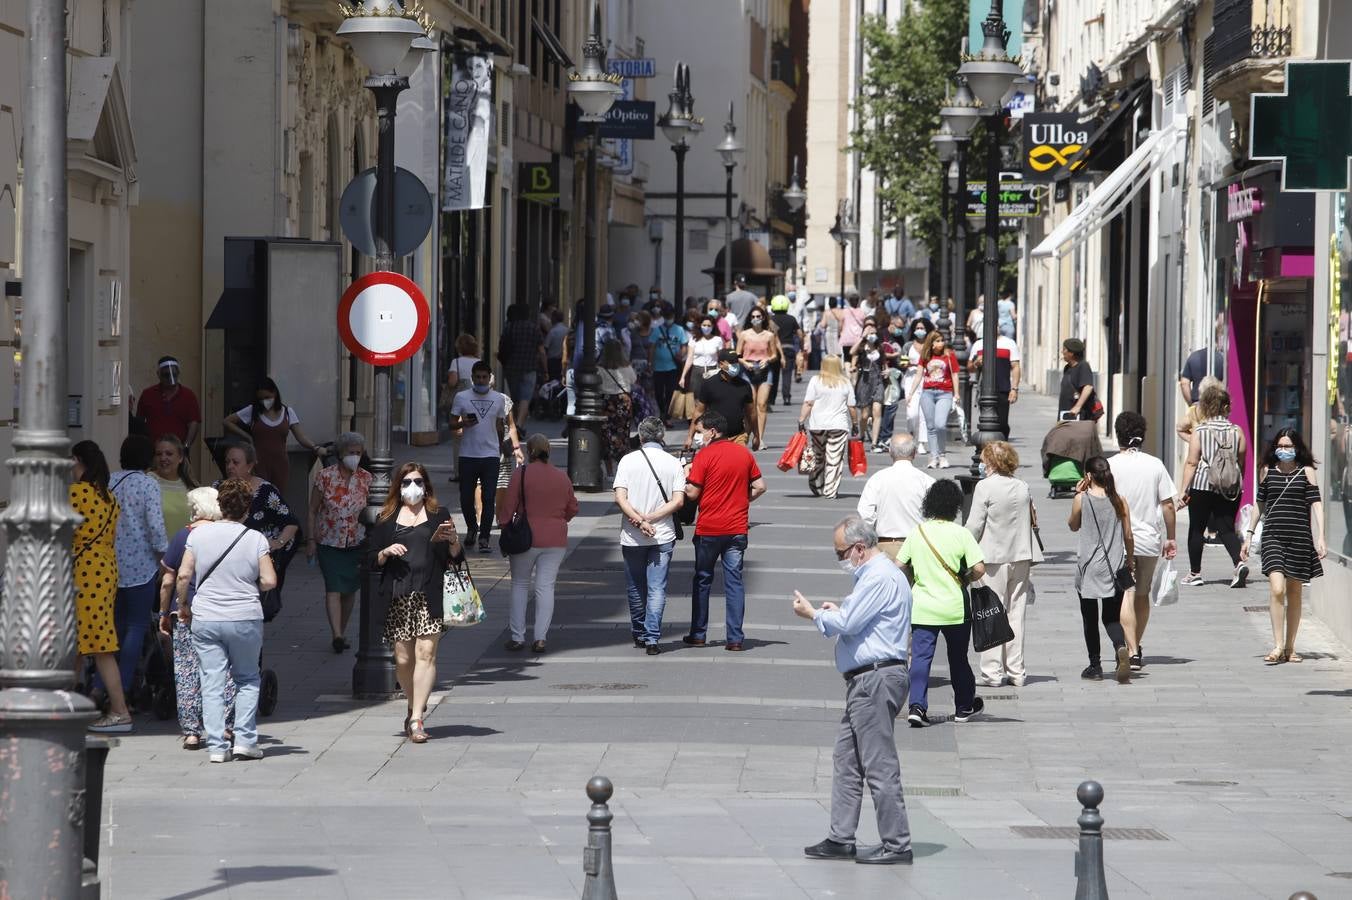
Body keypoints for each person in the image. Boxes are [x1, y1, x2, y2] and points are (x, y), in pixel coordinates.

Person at [795, 515, 914, 866]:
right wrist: (841, 608)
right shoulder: (878, 575)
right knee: (846, 758)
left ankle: (897, 843)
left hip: (875, 679)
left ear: (859, 549)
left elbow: (847, 625)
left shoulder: (878, 576)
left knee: (878, 764)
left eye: (841, 553)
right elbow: (861, 618)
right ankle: (841, 836)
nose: (840, 559)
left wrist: (814, 614)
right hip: (867, 680)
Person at [176, 478, 278, 762]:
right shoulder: (255, 538)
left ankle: (218, 748)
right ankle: (245, 741)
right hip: (245, 617)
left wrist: (184, 604)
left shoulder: (197, 536)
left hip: (206, 616)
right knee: (247, 678)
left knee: (212, 681)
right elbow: (269, 580)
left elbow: (183, 575)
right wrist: (250, 586)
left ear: (220, 505)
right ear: (247, 509)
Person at [367, 462, 463, 743]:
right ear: (398, 486)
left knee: (426, 654)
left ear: (427, 486)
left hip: (428, 594)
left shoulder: (438, 515)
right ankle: (413, 703)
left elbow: (455, 556)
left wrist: (454, 540)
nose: (414, 487)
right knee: (404, 658)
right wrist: (385, 551)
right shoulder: (386, 518)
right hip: (398, 596)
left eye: (419, 482)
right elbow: (370, 558)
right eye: (408, 482)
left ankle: (417, 717)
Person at [897, 479, 986, 726]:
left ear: (930, 504)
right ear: (955, 506)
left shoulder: (918, 532)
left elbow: (900, 564)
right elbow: (979, 568)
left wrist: (915, 578)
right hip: (955, 609)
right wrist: (963, 579)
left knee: (921, 659)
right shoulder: (962, 534)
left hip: (923, 607)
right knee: (958, 658)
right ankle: (963, 707)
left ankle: (917, 706)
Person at [158, 487, 236, 750]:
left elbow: (170, 579)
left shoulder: (184, 536)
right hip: (222, 610)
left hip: (188, 611)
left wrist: (165, 611)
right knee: (223, 668)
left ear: (196, 509)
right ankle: (225, 726)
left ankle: (192, 732)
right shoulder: (227, 534)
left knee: (187, 670)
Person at [683, 411, 767, 651]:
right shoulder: (743, 453)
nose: (698, 437)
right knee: (734, 582)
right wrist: (742, 499)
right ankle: (735, 638)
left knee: (703, 580)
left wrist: (684, 478)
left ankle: (698, 634)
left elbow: (693, 493)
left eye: (700, 432)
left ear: (712, 431)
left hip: (709, 528)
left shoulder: (704, 455)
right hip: (737, 528)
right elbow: (760, 486)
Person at [1242, 429, 1326, 664]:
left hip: (1299, 537)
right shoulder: (1267, 471)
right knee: (1277, 589)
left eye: (1289, 446)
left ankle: (1290, 646)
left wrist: (1321, 536)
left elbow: (1316, 504)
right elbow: (1259, 504)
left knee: (1295, 592)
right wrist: (1249, 535)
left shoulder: (1306, 471)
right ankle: (1278, 645)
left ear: (1297, 448)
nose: (1284, 450)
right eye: (1281, 445)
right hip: (1273, 537)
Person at [966, 441, 1041, 688]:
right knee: (1016, 613)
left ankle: (992, 672)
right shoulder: (1022, 486)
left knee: (990, 613)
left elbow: (975, 525)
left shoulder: (985, 487)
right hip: (1020, 556)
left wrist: (962, 549)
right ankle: (1017, 671)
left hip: (992, 558)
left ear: (990, 462)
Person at [1107, 413, 1178, 671]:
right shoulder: (1155, 465)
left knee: (1125, 592)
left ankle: (1131, 648)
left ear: (1118, 435)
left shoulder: (1110, 466)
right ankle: (1136, 645)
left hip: (1118, 540)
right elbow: (1168, 505)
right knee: (1141, 594)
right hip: (1148, 540)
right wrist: (1171, 537)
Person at [71, 441, 133, 734]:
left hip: (84, 573)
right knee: (79, 644)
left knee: (98, 645)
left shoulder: (77, 494)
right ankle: (63, 706)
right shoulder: (107, 497)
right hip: (106, 570)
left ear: (78, 461)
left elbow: (64, 534)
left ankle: (120, 711)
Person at [499, 434, 579, 653]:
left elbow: (508, 507)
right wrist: (558, 520)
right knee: (546, 587)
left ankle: (517, 637)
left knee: (520, 585)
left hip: (525, 537)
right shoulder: (562, 477)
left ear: (530, 450)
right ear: (549, 451)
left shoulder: (521, 474)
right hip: (555, 539)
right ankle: (541, 638)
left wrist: (504, 527)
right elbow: (572, 508)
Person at [614, 417, 686, 654]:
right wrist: (652, 519)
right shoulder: (673, 462)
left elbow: (620, 498)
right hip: (662, 534)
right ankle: (653, 637)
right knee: (657, 588)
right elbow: (678, 501)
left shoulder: (627, 460)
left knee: (636, 586)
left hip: (633, 536)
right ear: (662, 436)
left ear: (641, 436)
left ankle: (639, 633)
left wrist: (639, 520)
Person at [110, 435, 169, 696]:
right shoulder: (148, 485)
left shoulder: (109, 481)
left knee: (114, 627)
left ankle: (105, 682)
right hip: (141, 567)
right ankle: (124, 683)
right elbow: (155, 527)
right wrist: (166, 557)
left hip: (109, 565)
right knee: (136, 626)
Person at [1069, 457, 1135, 684]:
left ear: (1088, 475)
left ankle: (1095, 666)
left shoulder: (1082, 499)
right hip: (1114, 567)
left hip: (1089, 568)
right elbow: (1128, 535)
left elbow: (1073, 525)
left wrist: (1077, 494)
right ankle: (1119, 648)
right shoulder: (1119, 500)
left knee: (1090, 618)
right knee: (1111, 617)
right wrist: (1130, 560)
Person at [307, 432, 372, 653]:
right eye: (350, 452)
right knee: (333, 588)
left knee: (350, 590)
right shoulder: (325, 477)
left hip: (357, 541)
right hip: (329, 541)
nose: (354, 456)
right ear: (340, 453)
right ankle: (336, 633)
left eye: (358, 453)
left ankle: (341, 633)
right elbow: (313, 509)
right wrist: (311, 540)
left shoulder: (367, 478)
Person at [1178, 383, 1247, 587]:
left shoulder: (1200, 431)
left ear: (1205, 407)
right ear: (1226, 407)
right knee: (1226, 528)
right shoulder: (1237, 431)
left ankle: (1195, 573)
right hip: (1229, 487)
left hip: (1202, 484)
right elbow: (1241, 460)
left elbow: (1192, 462)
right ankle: (1239, 563)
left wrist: (1183, 490)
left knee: (1197, 528)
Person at [222, 377, 325, 495]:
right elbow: (227, 421)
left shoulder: (287, 412)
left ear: (274, 393)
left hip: (280, 464)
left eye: (267, 397)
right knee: (258, 495)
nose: (264, 401)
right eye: (261, 399)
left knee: (277, 498)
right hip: (259, 463)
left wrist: (315, 447)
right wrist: (247, 436)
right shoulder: (253, 411)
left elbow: (301, 437)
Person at [450, 360, 507, 553]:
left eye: (484, 377)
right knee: (466, 498)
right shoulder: (461, 397)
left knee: (488, 497)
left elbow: (500, 425)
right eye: (478, 377)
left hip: (490, 455)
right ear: (472, 377)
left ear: (490, 378)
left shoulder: (499, 399)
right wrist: (462, 423)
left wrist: (500, 447)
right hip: (468, 454)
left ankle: (484, 537)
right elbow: (451, 424)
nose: (481, 380)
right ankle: (472, 528)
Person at [857, 433, 935, 562]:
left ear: (890, 452)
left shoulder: (877, 479)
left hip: (884, 545)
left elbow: (866, 515)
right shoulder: (927, 481)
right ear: (914, 453)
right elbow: (933, 518)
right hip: (916, 546)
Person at [798, 355, 857, 500]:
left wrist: (801, 420)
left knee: (818, 455)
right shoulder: (845, 382)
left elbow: (809, 403)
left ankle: (817, 485)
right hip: (838, 425)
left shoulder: (815, 381)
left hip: (818, 424)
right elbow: (851, 406)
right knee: (834, 458)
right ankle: (830, 490)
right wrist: (855, 423)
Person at [686, 350, 757, 450]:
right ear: (721, 364)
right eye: (731, 362)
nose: (735, 365)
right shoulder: (709, 384)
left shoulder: (744, 385)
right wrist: (690, 437)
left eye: (736, 361)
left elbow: (752, 413)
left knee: (739, 464)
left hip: (738, 436)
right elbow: (698, 412)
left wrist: (757, 436)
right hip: (715, 438)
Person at [736, 306, 785, 448]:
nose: (756, 319)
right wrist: (744, 363)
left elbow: (775, 354)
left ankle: (759, 439)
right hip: (747, 370)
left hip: (764, 370)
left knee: (762, 405)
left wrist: (768, 360)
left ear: (763, 318)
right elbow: (737, 354)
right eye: (753, 317)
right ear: (749, 319)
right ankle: (747, 435)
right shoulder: (744, 335)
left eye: (758, 316)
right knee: (750, 406)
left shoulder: (769, 335)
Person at [498, 303, 546, 430]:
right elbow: (541, 351)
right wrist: (545, 369)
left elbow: (502, 346)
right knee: (526, 398)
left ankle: (514, 424)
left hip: (511, 367)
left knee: (515, 398)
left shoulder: (509, 327)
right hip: (529, 367)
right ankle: (519, 425)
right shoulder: (533, 328)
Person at [916, 331, 960, 468]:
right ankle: (933, 457)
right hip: (927, 393)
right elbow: (919, 375)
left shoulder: (949, 355)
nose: (942, 343)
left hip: (944, 393)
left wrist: (956, 393)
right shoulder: (926, 355)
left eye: (942, 340)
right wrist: (911, 393)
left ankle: (942, 455)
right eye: (938, 340)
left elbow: (955, 375)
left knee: (940, 424)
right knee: (930, 427)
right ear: (932, 343)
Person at [135, 355, 201, 447]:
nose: (171, 379)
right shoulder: (148, 394)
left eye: (174, 374)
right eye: (166, 375)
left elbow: (193, 423)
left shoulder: (188, 395)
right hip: (153, 450)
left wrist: (186, 446)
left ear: (178, 373)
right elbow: (140, 421)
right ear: (158, 374)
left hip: (178, 450)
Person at [969, 332, 1022, 440]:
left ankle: (1002, 442)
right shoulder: (978, 344)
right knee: (986, 421)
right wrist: (976, 363)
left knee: (1002, 422)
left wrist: (1014, 389)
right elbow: (969, 367)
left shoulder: (1009, 343)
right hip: (983, 389)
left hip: (1003, 388)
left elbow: (1016, 367)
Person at [444, 334, 482, 481]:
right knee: (476, 436)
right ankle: (475, 470)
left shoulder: (456, 362)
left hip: (460, 404)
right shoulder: (479, 362)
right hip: (477, 402)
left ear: (460, 348)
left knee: (458, 438)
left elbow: (452, 382)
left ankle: (459, 472)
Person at [151, 434, 197, 537]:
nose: (163, 458)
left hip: (185, 551)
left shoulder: (190, 486)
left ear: (180, 458)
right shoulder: (148, 482)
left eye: (169, 454)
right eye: (159, 454)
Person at [852, 321, 888, 450]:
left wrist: (887, 371)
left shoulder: (880, 348)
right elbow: (851, 352)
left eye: (874, 333)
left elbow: (884, 364)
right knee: (865, 415)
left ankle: (874, 442)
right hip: (864, 382)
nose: (872, 335)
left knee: (877, 411)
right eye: (869, 333)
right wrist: (862, 337)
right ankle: (862, 435)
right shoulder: (862, 349)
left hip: (878, 381)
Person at [650, 305, 688, 425]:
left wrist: (681, 355)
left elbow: (684, 345)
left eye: (670, 316)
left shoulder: (679, 330)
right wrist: (650, 362)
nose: (668, 318)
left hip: (672, 367)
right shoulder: (657, 330)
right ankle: (662, 411)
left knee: (671, 391)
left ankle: (666, 414)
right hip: (658, 367)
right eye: (666, 316)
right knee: (659, 392)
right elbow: (652, 347)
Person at [1179, 318, 1226, 405]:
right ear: (1217, 341)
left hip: (1196, 402)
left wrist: (1191, 404)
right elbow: (1226, 384)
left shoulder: (1193, 357)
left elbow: (1184, 383)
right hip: (1214, 404)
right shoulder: (1222, 359)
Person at [770, 295, 802, 406]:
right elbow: (800, 334)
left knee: (774, 374)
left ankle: (771, 399)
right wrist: (800, 346)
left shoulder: (771, 320)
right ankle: (786, 397)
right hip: (789, 348)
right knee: (787, 374)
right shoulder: (792, 319)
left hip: (775, 350)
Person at [680, 314, 724, 391]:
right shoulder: (694, 339)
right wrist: (683, 376)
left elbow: (720, 359)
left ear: (713, 326)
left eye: (709, 325)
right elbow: (689, 358)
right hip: (697, 371)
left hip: (712, 371)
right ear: (700, 325)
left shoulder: (717, 340)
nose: (706, 327)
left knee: (711, 398)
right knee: (696, 398)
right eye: (704, 325)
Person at [1058, 339, 1098, 422]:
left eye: (1064, 349)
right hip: (1066, 414)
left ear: (1071, 353)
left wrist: (1077, 407)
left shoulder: (1083, 366)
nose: (1062, 352)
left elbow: (1088, 387)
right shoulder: (1067, 368)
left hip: (1078, 416)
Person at [829, 289, 869, 365]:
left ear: (849, 302)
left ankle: (848, 374)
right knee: (856, 357)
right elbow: (865, 324)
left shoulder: (844, 311)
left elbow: (840, 324)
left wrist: (839, 334)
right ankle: (854, 374)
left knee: (847, 358)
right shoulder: (862, 312)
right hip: (858, 339)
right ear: (858, 301)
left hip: (847, 338)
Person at [544, 309, 569, 384]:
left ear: (554, 318)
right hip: (564, 360)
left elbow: (546, 347)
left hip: (552, 362)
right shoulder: (567, 330)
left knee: (552, 382)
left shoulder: (552, 332)